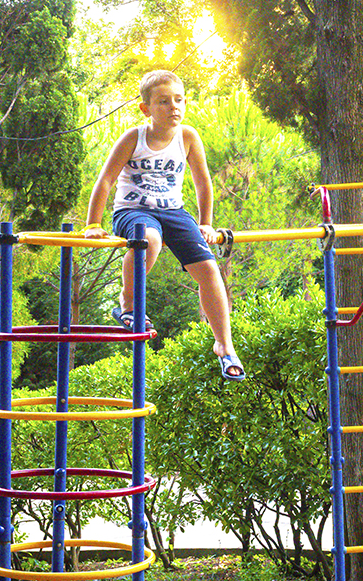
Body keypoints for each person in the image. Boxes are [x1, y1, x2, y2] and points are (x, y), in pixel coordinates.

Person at [84, 70, 245, 381]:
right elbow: (105, 180)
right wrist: (92, 223)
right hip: (133, 210)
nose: (174, 107)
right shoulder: (133, 138)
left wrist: (206, 223)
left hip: (173, 212)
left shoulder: (188, 137)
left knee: (209, 269)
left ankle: (224, 345)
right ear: (146, 109)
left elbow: (203, 182)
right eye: (163, 102)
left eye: (179, 100)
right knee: (150, 239)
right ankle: (128, 304)